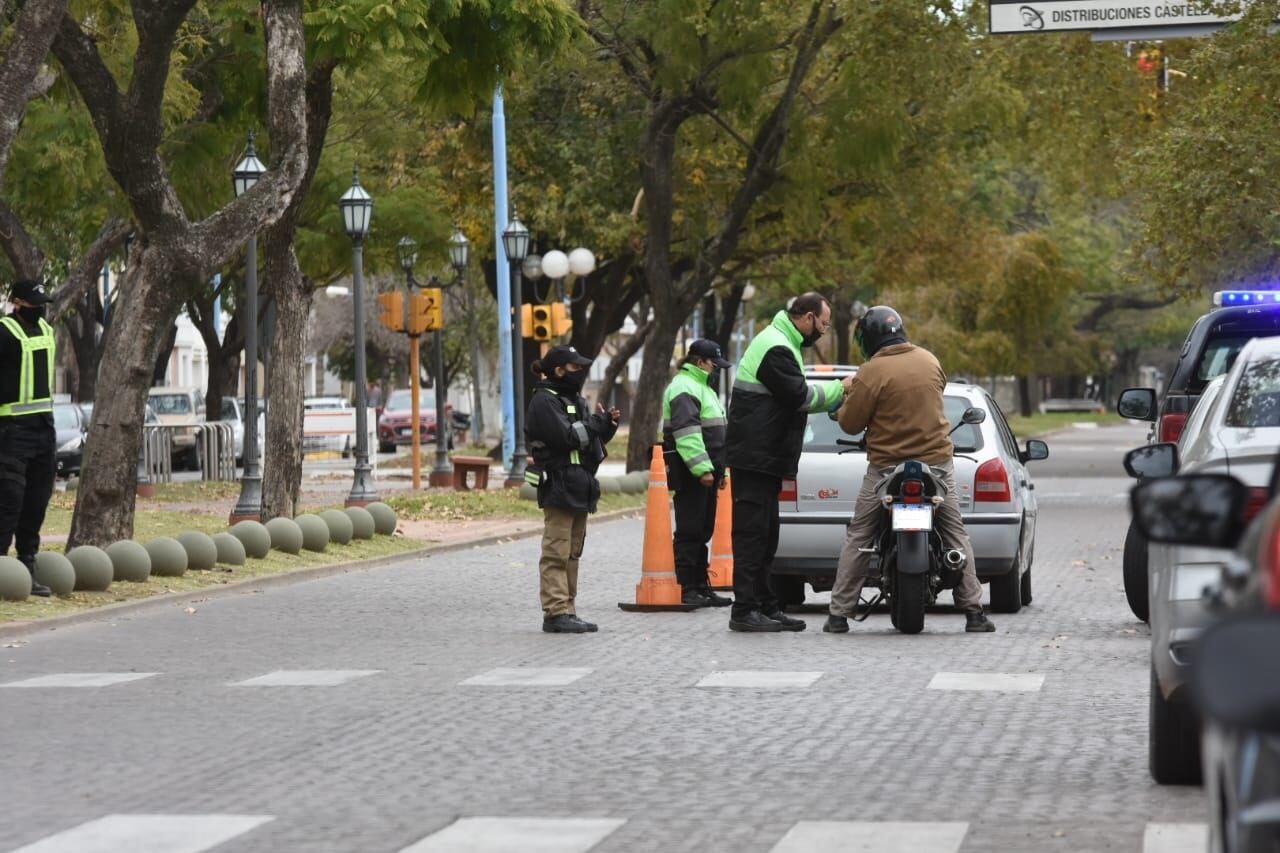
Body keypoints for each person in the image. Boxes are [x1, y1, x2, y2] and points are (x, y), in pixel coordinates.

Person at [824, 305, 995, 634]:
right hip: (936, 465)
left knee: (860, 535)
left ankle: (838, 615)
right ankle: (974, 612)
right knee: (955, 534)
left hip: (886, 467)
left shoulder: (870, 372)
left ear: (869, 338)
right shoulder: (930, 360)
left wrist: (846, 401)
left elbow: (850, 423)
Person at [724, 292, 846, 632]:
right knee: (752, 537)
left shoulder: (783, 342)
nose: (823, 330)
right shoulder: (776, 346)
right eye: (823, 324)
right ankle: (744, 610)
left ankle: (765, 605)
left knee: (766, 535)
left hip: (766, 457)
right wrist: (840, 390)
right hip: (755, 457)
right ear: (806, 317)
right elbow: (799, 397)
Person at [525, 345, 621, 633]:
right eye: (575, 367)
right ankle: (555, 613)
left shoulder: (575, 400)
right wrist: (593, 424)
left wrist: (606, 427)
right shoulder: (544, 401)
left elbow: (587, 444)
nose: (580, 372)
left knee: (572, 552)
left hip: (579, 485)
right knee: (556, 550)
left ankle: (568, 609)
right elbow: (567, 437)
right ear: (558, 370)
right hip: (557, 484)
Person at [662, 339, 733, 608]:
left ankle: (701, 586)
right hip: (692, 471)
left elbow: (715, 432)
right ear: (701, 362)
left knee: (703, 530)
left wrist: (720, 472)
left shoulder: (702, 387)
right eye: (714, 364)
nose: (716, 369)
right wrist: (703, 469)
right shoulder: (684, 386)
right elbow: (687, 434)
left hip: (707, 471)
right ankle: (687, 586)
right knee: (690, 530)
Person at [0, 280, 58, 597]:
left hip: (44, 430)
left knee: (36, 503)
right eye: (34, 304)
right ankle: (2, 570)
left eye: (42, 303)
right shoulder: (4, 331)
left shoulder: (47, 332)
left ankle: (26, 567)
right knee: (9, 502)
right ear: (18, 303)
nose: (40, 309)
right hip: (12, 431)